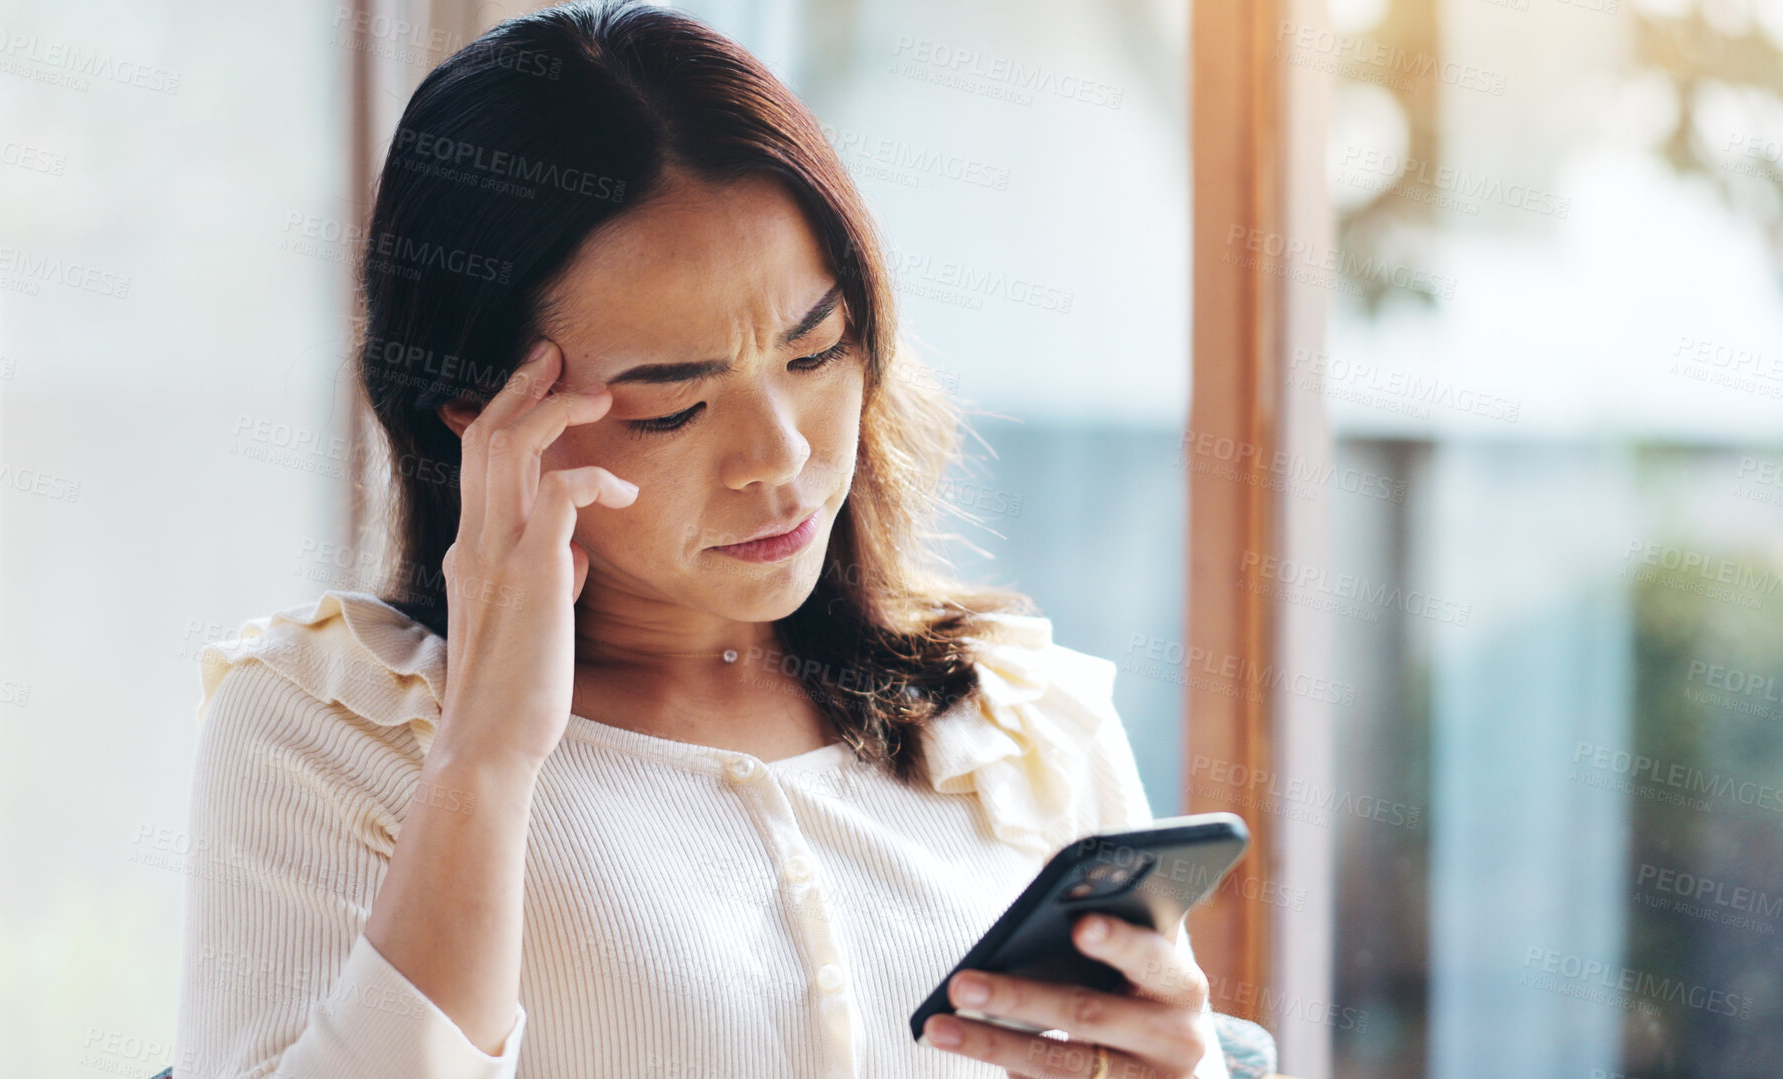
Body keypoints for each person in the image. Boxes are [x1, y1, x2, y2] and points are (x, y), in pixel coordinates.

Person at [173, 2, 1229, 1076]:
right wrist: (483, 754)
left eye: (814, 354)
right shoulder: (329, 730)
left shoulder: (1025, 725)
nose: (777, 455)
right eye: (672, 404)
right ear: (476, 412)